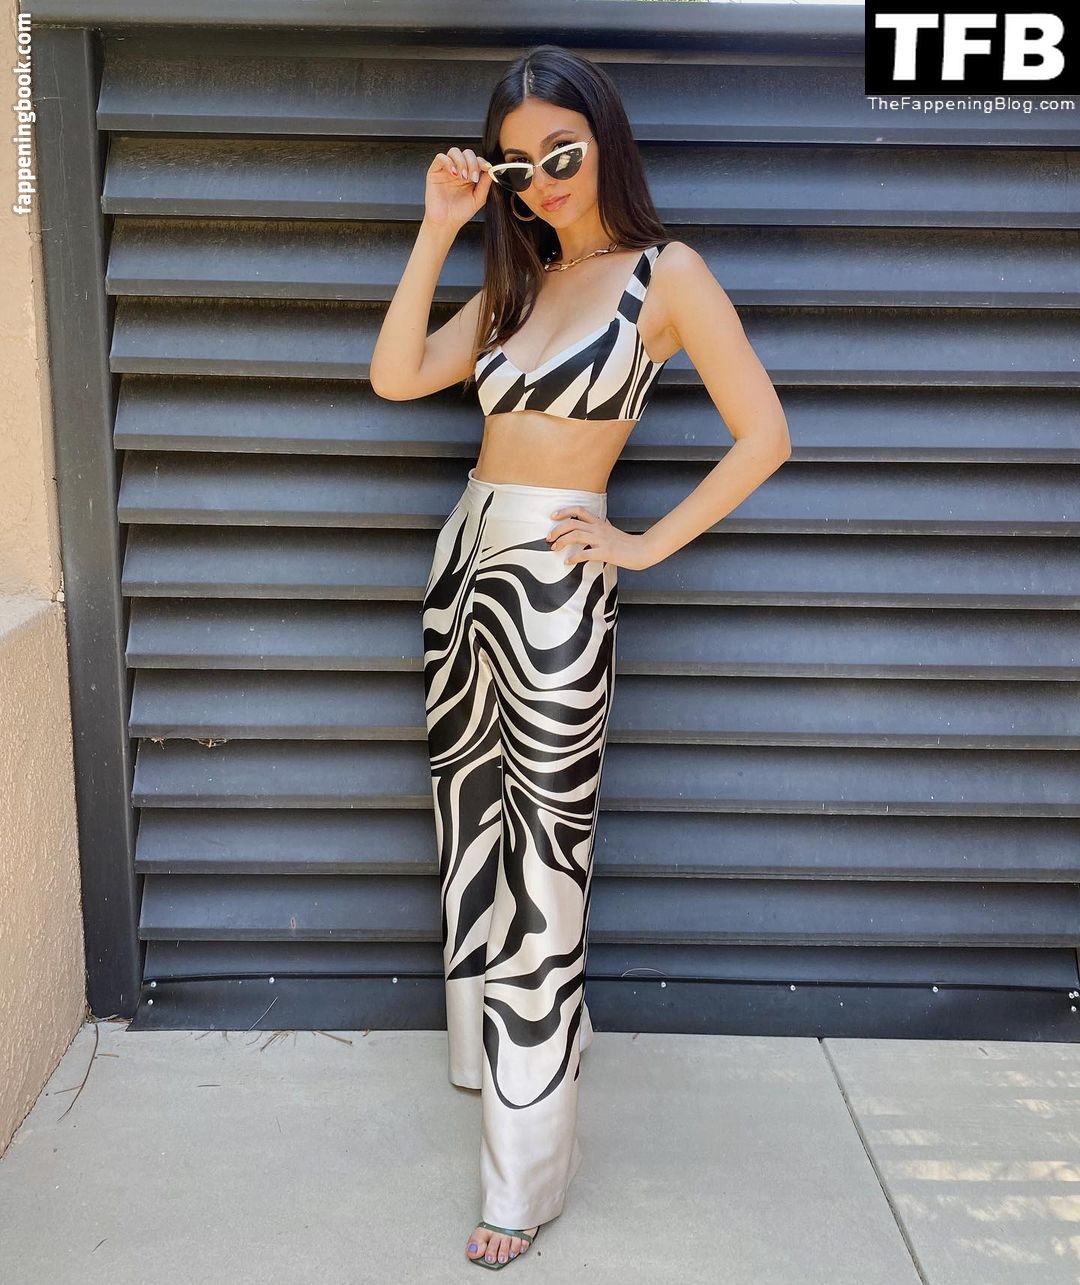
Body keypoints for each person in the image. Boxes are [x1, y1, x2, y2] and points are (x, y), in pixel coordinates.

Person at [370, 43, 790, 1271]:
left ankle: (524, 1176)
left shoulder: (668, 274)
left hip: (557, 580)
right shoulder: (519, 278)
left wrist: (643, 544)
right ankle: (493, 1054)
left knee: (546, 857)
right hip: (463, 566)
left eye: (561, 152)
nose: (543, 180)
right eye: (518, 166)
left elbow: (764, 433)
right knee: (470, 824)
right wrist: (440, 226)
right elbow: (397, 375)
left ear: (604, 138)